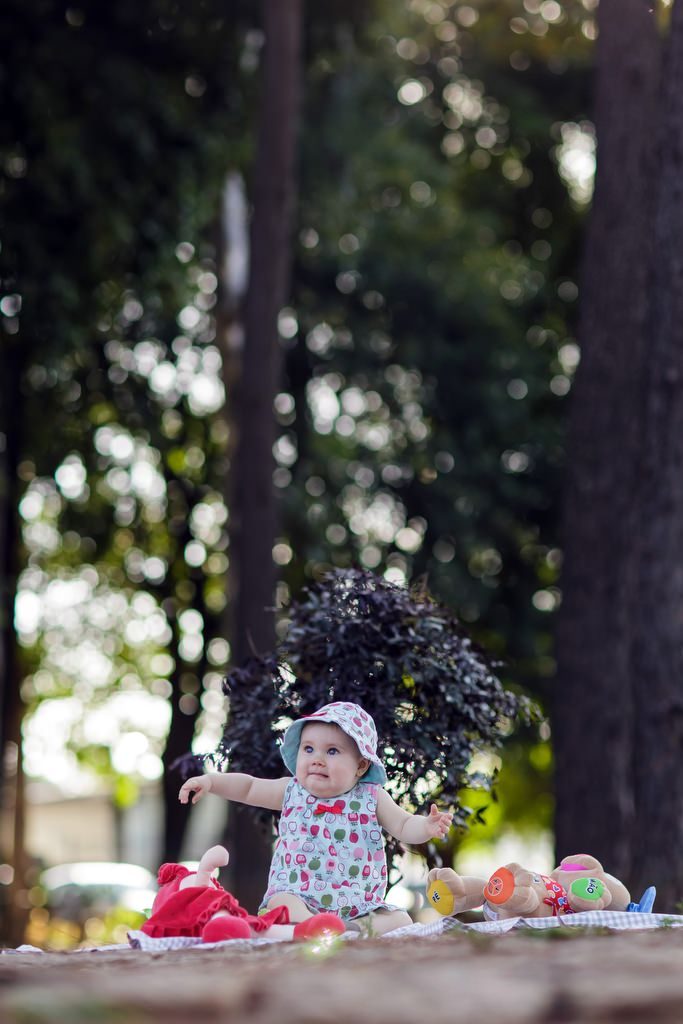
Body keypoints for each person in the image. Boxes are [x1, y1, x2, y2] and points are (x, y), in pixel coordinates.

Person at [179, 701, 452, 936]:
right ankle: (309, 926)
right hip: (298, 894)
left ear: (361, 765)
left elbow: (404, 825)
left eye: (332, 751)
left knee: (400, 920)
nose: (317, 759)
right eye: (308, 749)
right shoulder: (291, 791)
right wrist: (211, 782)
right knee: (281, 903)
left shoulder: (371, 797)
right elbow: (249, 787)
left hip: (356, 904)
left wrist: (426, 826)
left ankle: (346, 930)